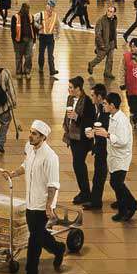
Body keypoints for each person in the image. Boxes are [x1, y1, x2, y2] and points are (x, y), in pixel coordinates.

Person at [4, 120, 64, 274]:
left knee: (34, 240)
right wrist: (13, 173)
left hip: (42, 204)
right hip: (30, 201)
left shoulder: (51, 157)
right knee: (39, 235)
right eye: (30, 132)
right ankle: (58, 249)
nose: (30, 136)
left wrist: (49, 207)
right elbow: (25, 165)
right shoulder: (29, 147)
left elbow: (53, 185)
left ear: (43, 137)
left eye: (34, 134)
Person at [96, 92, 137, 221]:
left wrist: (107, 135)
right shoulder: (112, 116)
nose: (103, 105)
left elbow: (123, 141)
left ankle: (129, 206)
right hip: (114, 157)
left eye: (105, 103)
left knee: (116, 183)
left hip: (121, 158)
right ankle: (125, 205)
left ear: (112, 105)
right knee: (116, 183)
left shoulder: (121, 120)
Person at [62, 75, 96, 205]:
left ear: (78, 88)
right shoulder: (70, 98)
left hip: (81, 139)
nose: (69, 90)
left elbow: (89, 120)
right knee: (77, 165)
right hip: (72, 137)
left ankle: (85, 192)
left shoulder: (87, 101)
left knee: (79, 164)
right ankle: (84, 192)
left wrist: (77, 117)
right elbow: (67, 116)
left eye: (71, 88)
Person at [83, 84, 110, 211]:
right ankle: (95, 200)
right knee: (100, 175)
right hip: (99, 147)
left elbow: (104, 129)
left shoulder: (104, 111)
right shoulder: (98, 108)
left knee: (100, 175)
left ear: (99, 97)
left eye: (93, 95)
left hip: (103, 149)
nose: (91, 97)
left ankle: (96, 202)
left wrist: (93, 133)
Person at [88, 4, 118, 78]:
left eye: (111, 12)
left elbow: (114, 30)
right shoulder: (101, 20)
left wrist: (114, 42)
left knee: (110, 59)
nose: (109, 13)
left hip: (112, 43)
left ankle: (107, 73)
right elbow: (98, 33)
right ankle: (91, 64)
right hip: (104, 43)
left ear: (114, 13)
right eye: (108, 11)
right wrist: (101, 44)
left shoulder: (115, 20)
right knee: (100, 57)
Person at [34, 0, 60, 77]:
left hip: (50, 37)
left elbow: (58, 25)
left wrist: (57, 35)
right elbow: (32, 20)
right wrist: (38, 26)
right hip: (42, 37)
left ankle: (52, 70)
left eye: (52, 7)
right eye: (49, 6)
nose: (50, 8)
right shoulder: (40, 14)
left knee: (50, 55)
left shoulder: (55, 15)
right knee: (41, 54)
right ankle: (41, 67)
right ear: (46, 6)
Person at [10, 2, 36, 79]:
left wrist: (34, 39)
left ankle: (27, 71)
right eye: (26, 8)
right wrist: (14, 41)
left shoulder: (31, 16)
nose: (28, 10)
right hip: (19, 40)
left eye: (28, 9)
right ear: (22, 8)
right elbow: (12, 30)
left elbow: (33, 29)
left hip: (29, 39)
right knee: (19, 57)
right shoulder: (15, 17)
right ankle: (19, 72)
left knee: (29, 56)